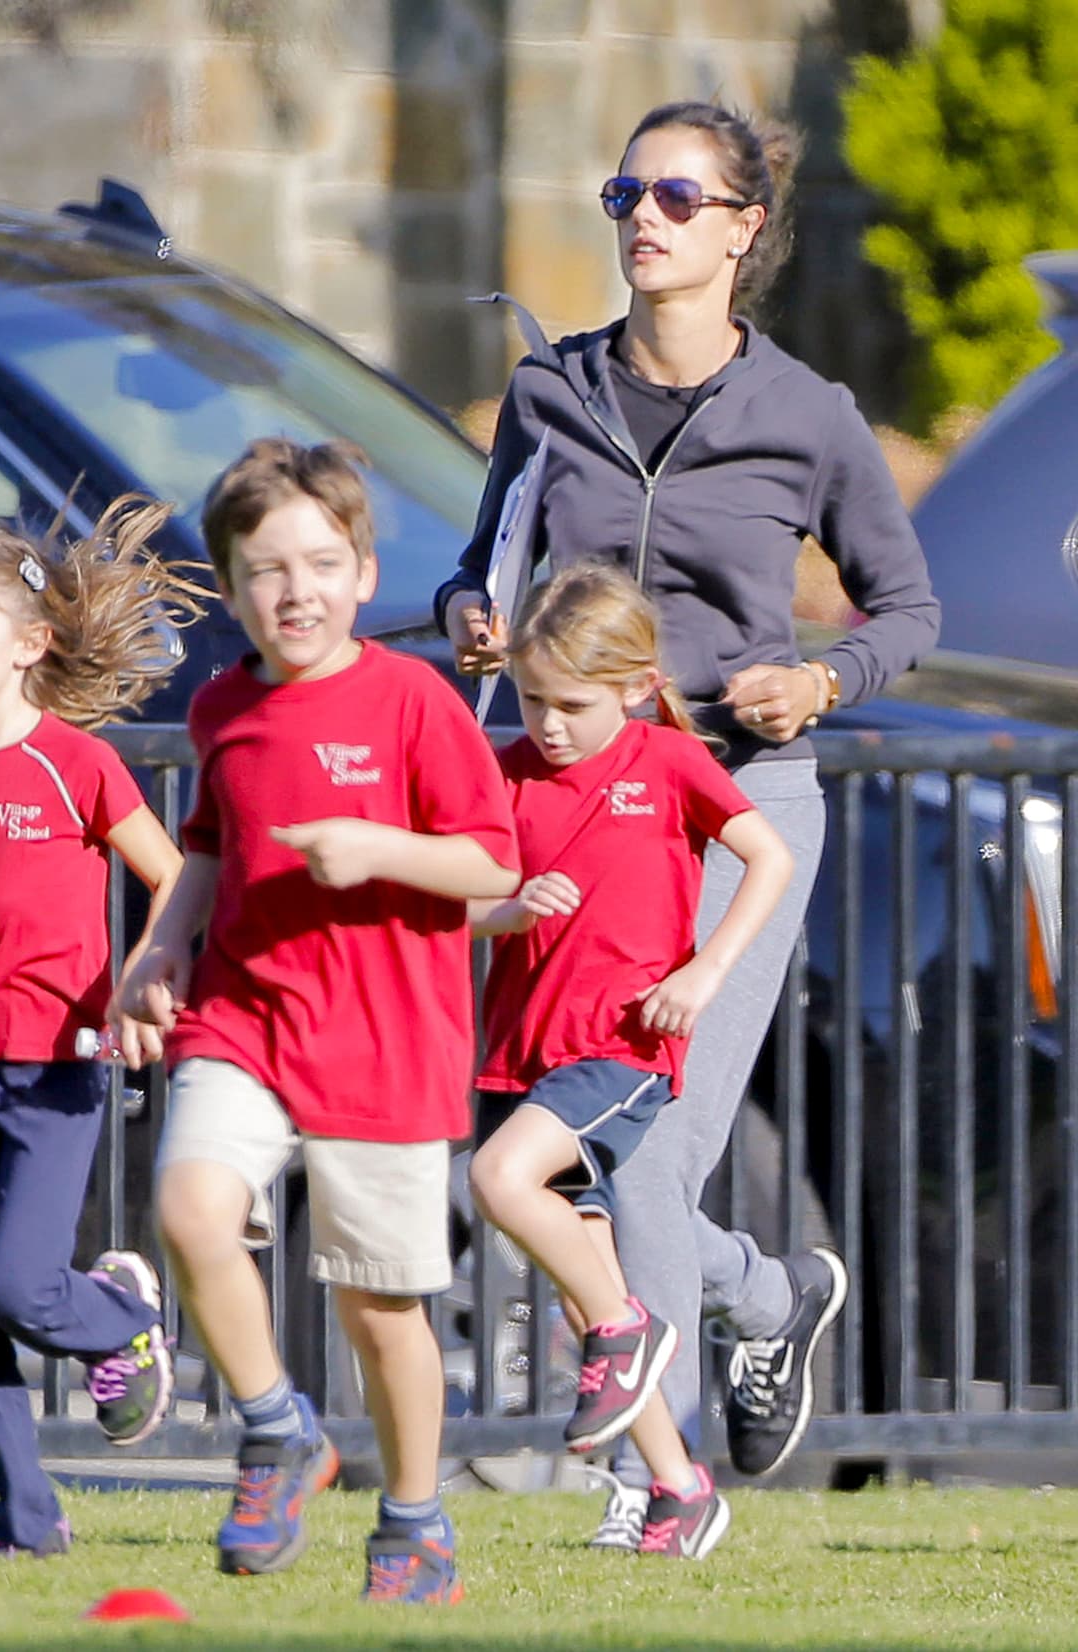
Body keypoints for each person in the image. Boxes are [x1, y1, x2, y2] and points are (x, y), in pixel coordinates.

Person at [435, 100, 940, 1533]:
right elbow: (481, 570)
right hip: (583, 815)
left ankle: (644, 1489)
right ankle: (765, 1296)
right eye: (623, 192)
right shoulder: (551, 395)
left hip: (731, 807)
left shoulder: (807, 416)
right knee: (586, 1151)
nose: (641, 218)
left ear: (741, 228)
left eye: (673, 195)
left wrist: (820, 678)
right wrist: (474, 618)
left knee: (648, 1150)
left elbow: (907, 609)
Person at [115, 438, 519, 1604]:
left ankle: (412, 1517)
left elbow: (491, 866)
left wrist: (379, 849)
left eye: (320, 562)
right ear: (231, 586)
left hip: (386, 1038)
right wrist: (158, 948)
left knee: (378, 1307)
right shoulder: (223, 705)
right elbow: (205, 845)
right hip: (243, 1014)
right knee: (189, 1207)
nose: (294, 590)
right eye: (264, 569)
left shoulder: (413, 701)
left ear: (364, 569)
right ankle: (274, 1427)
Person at [0, 498, 208, 1557]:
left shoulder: (74, 762)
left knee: (18, 1282)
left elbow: (171, 880)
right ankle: (24, 1518)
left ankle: (119, 1315)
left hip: (57, 1063)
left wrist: (140, 986)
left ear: (27, 645)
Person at [469, 563, 791, 1559]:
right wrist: (505, 911)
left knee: (495, 1179)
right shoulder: (505, 771)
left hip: (619, 1050)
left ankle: (625, 1324)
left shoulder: (662, 761)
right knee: (581, 1282)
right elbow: (456, 904)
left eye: (571, 703)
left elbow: (767, 857)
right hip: (518, 1055)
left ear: (636, 684)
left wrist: (701, 972)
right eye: (531, 699)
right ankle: (678, 1488)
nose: (549, 723)